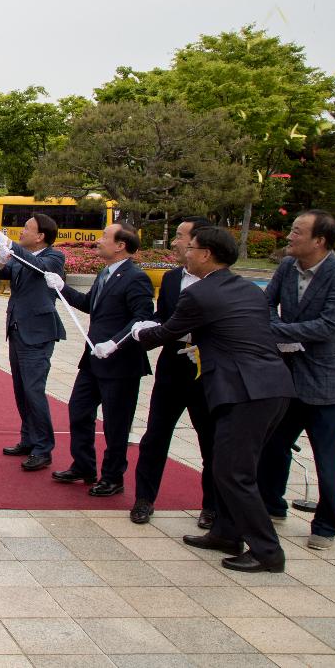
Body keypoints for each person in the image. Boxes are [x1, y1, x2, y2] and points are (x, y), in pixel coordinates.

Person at [132, 226, 294, 573]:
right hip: (273, 388)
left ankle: (268, 552)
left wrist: (136, 334)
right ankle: (225, 532)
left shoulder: (201, 294)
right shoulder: (248, 290)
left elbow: (165, 333)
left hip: (246, 393)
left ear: (206, 254)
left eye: (189, 247)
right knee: (227, 465)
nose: (184, 252)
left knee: (234, 472)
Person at [257, 209, 335, 551]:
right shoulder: (285, 267)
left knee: (326, 457)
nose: (290, 237)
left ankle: (326, 523)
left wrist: (277, 330)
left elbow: (328, 326)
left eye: (297, 232)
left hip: (327, 380)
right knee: (274, 445)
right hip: (286, 374)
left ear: (319, 241)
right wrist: (275, 330)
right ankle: (271, 505)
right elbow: (266, 303)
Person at [46, 223, 153, 497]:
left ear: (120, 245)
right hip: (93, 360)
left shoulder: (135, 277)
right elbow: (88, 304)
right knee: (79, 411)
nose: (98, 240)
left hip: (120, 363)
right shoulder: (105, 273)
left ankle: (113, 477)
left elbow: (141, 318)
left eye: (105, 236)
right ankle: (83, 466)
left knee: (116, 423)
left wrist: (115, 342)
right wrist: (62, 288)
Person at [129, 217, 218, 527]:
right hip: (172, 367)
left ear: (201, 246)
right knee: (155, 436)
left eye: (181, 237)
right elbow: (163, 318)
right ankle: (144, 498)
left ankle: (211, 506)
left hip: (207, 368)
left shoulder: (221, 283)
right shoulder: (171, 279)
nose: (175, 243)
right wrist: (140, 332)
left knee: (210, 440)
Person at [0, 216, 66, 471]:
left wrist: (10, 244)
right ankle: (29, 438)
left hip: (38, 332)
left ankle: (44, 448)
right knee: (21, 389)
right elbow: (3, 273)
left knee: (34, 390)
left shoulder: (54, 257)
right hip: (17, 328)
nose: (22, 232)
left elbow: (37, 266)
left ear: (40, 236)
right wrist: (1, 257)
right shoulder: (24, 255)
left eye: (27, 229)